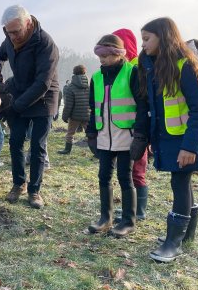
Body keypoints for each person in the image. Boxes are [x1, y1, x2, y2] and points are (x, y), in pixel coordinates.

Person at [138, 17, 198, 262]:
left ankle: (174, 242)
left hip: (187, 140)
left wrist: (190, 146)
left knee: (179, 183)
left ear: (164, 36)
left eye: (147, 39)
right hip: (168, 138)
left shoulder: (185, 65)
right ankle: (186, 235)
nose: (143, 44)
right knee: (182, 182)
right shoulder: (154, 66)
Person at [0, 4, 59, 209]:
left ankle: (35, 190)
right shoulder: (9, 37)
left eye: (16, 32)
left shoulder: (45, 43)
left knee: (37, 146)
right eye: (9, 33)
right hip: (19, 92)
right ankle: (19, 184)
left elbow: (42, 83)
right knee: (15, 141)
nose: (13, 37)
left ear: (28, 24)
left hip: (43, 99)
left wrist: (17, 106)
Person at [86, 34, 148, 238]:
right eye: (99, 54)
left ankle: (128, 221)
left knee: (125, 178)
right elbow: (93, 107)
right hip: (104, 137)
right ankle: (106, 218)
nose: (101, 59)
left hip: (126, 137)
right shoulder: (96, 78)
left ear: (117, 54)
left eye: (105, 54)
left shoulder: (133, 72)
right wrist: (91, 133)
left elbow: (142, 106)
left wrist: (140, 136)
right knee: (103, 177)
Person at [112, 28, 150, 221]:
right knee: (128, 170)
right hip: (124, 129)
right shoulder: (123, 68)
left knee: (137, 169)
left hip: (137, 129)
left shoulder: (137, 68)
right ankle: (132, 207)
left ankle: (139, 211)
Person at [58, 64, 90, 154]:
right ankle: (96, 151)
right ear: (84, 72)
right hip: (87, 114)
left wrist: (65, 117)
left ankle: (67, 150)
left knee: (70, 134)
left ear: (74, 73)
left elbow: (68, 105)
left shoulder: (70, 87)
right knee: (90, 134)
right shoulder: (89, 87)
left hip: (74, 116)